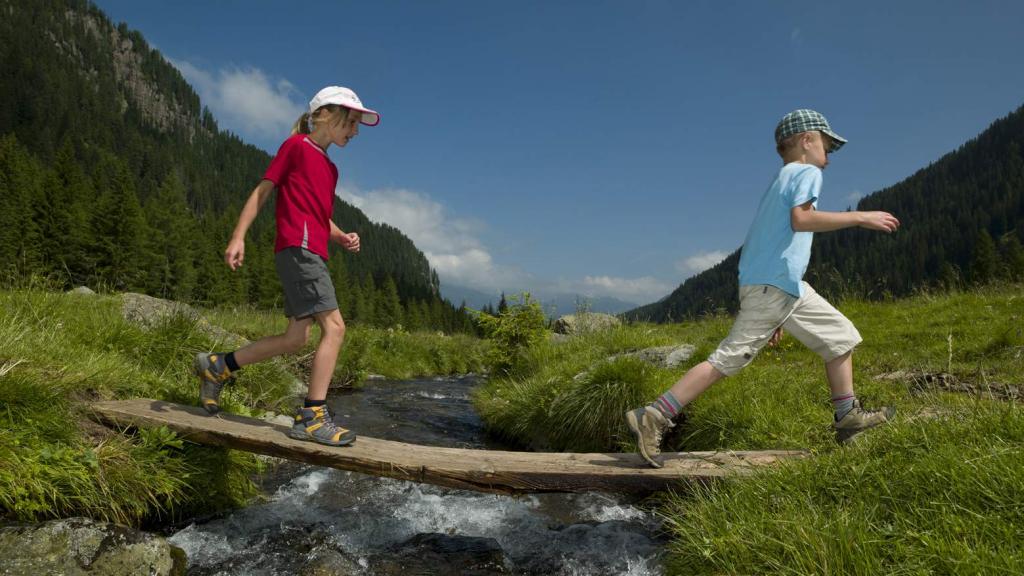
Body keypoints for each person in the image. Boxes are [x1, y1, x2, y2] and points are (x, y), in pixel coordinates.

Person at [626, 109, 900, 468]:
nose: (829, 157)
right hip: (774, 286)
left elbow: (766, 238)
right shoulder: (806, 172)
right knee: (728, 359)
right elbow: (801, 220)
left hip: (784, 287)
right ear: (806, 140)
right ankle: (656, 414)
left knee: (840, 337)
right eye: (827, 145)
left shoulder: (784, 177)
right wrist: (861, 217)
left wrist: (776, 315)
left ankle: (847, 418)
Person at [193, 86, 380, 447]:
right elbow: (263, 190)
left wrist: (340, 237)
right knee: (335, 328)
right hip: (299, 248)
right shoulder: (295, 147)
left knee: (296, 338)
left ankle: (218, 366)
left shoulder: (330, 167)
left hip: (313, 249)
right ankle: (312, 416)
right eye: (352, 122)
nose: (355, 132)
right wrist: (238, 236)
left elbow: (321, 215)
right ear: (325, 114)